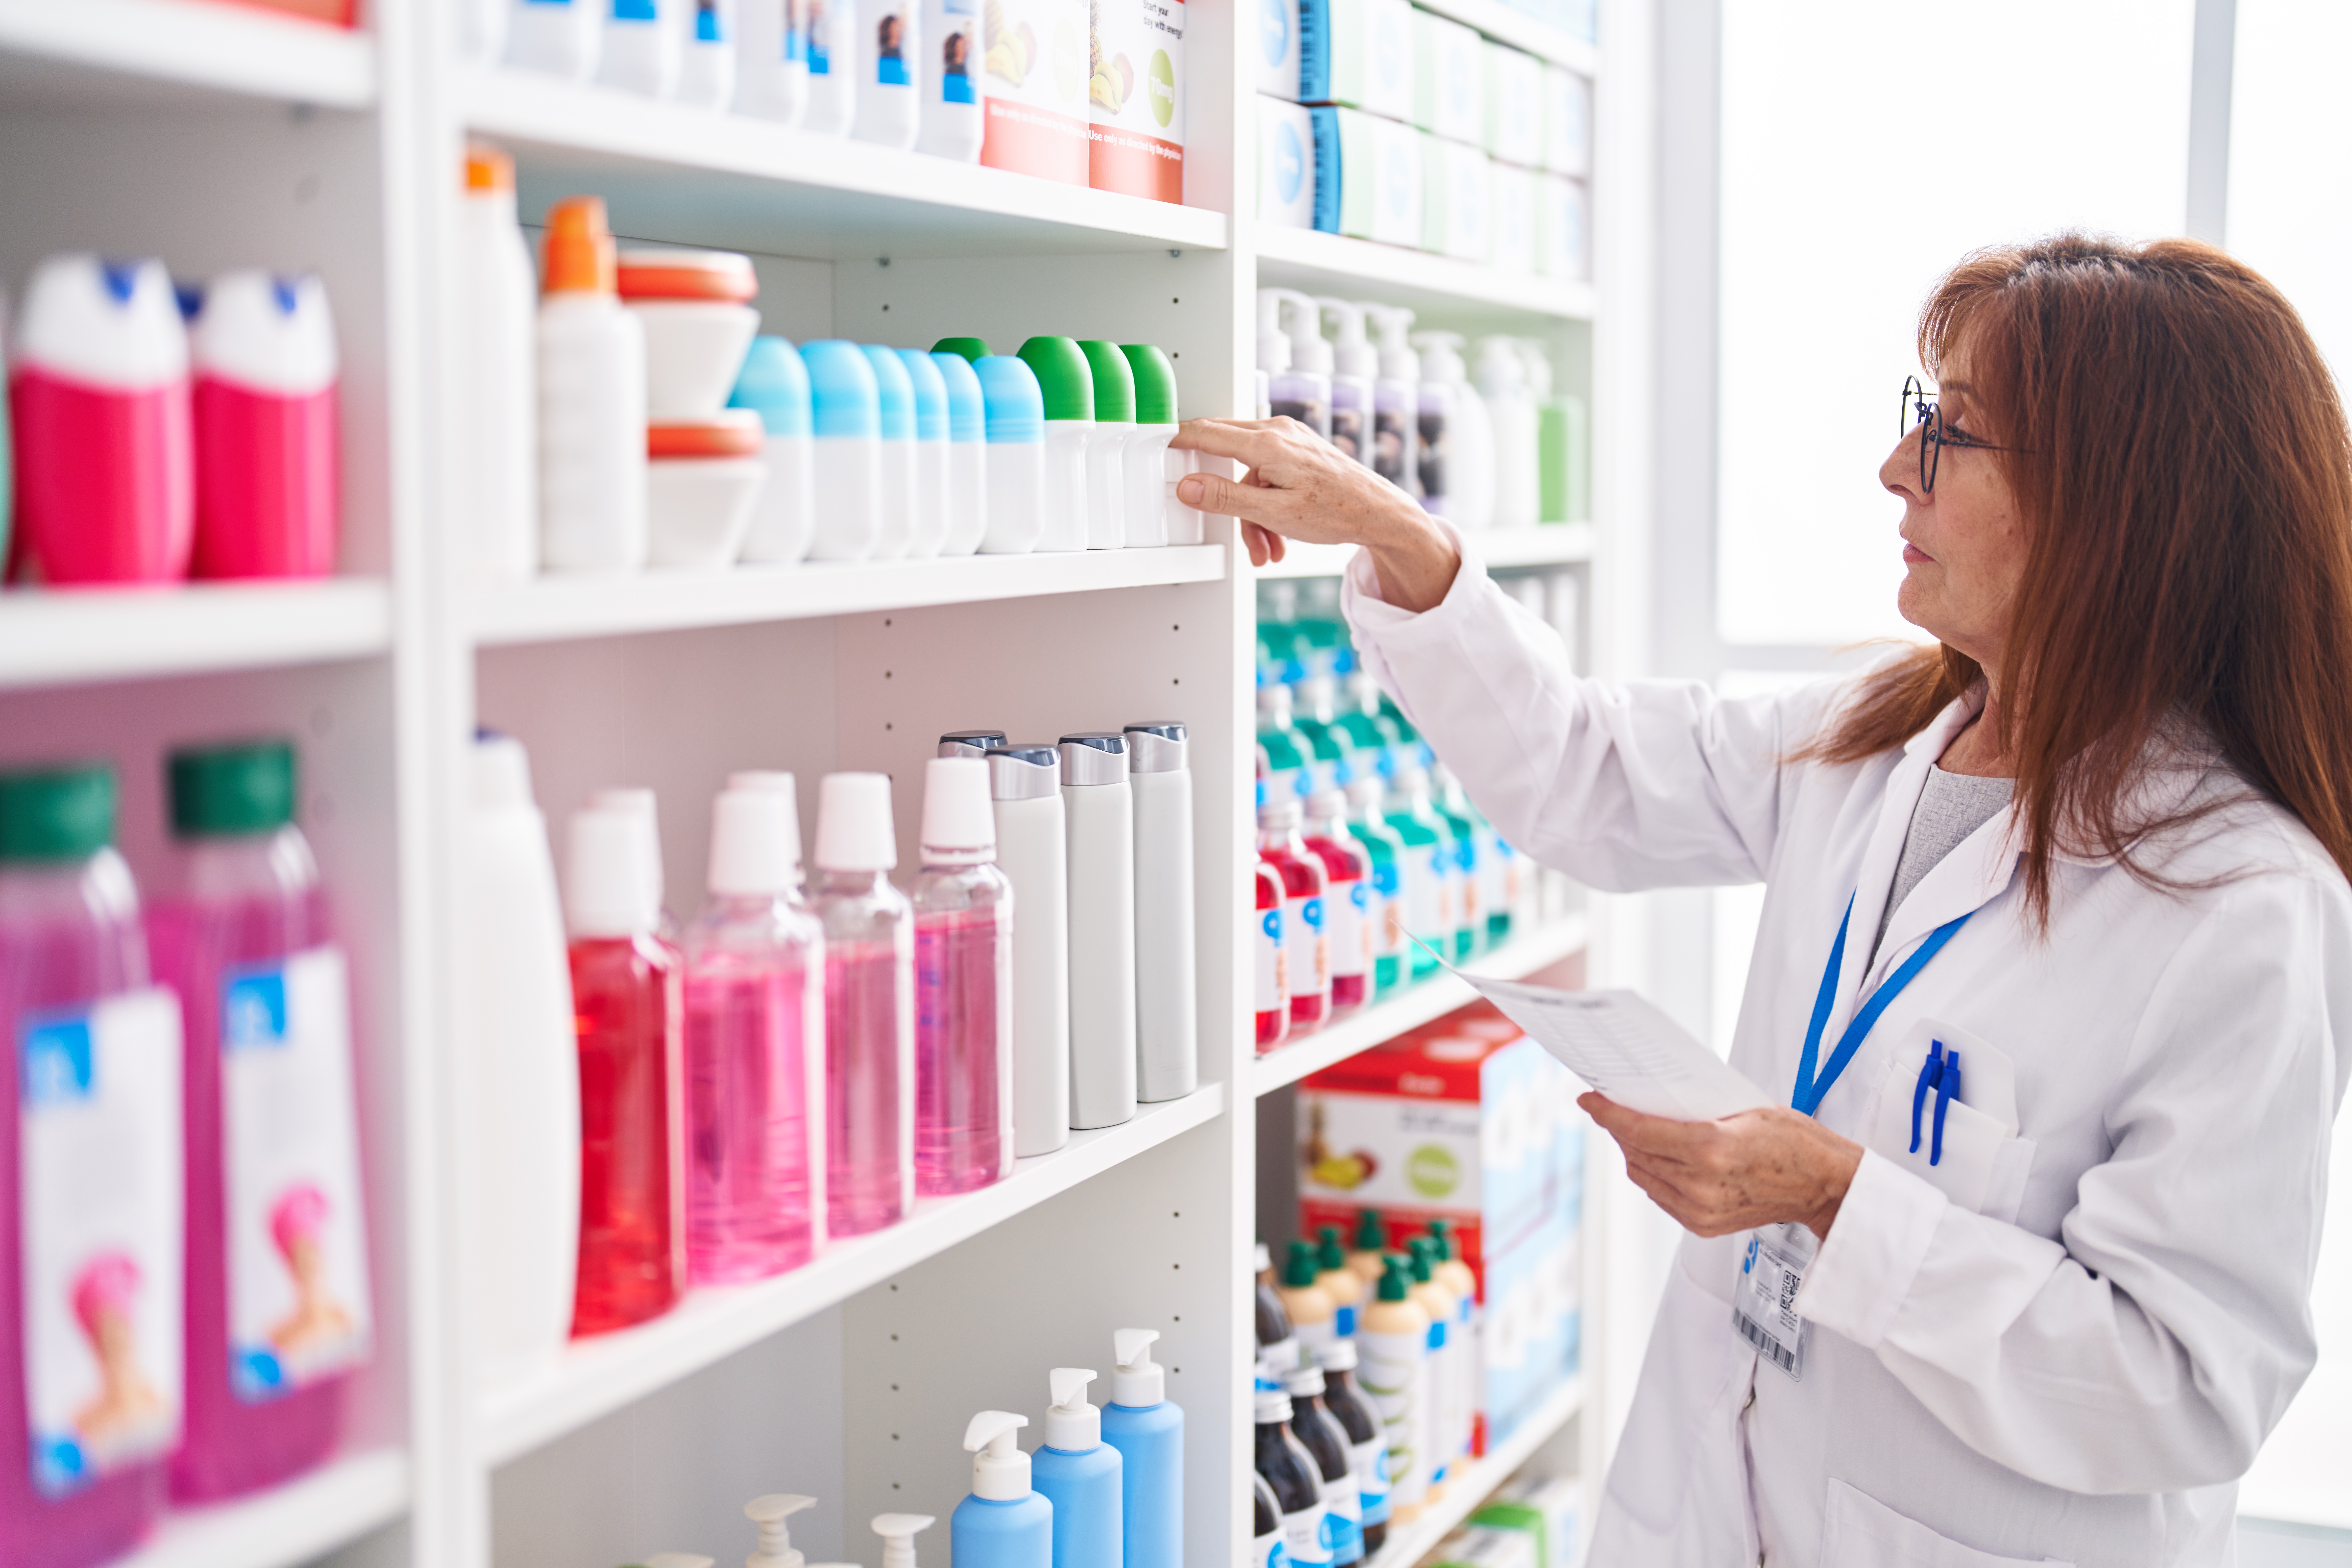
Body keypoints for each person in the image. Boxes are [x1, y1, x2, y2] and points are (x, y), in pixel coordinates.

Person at [1173, 235, 2352, 1568]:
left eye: (1953, 434)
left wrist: (1840, 1199)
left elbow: (2187, 1388)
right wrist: (1401, 537)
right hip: (1716, 1503)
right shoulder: (1872, 735)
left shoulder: (2244, 906)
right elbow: (1581, 772)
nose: (1896, 469)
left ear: (2116, 513)